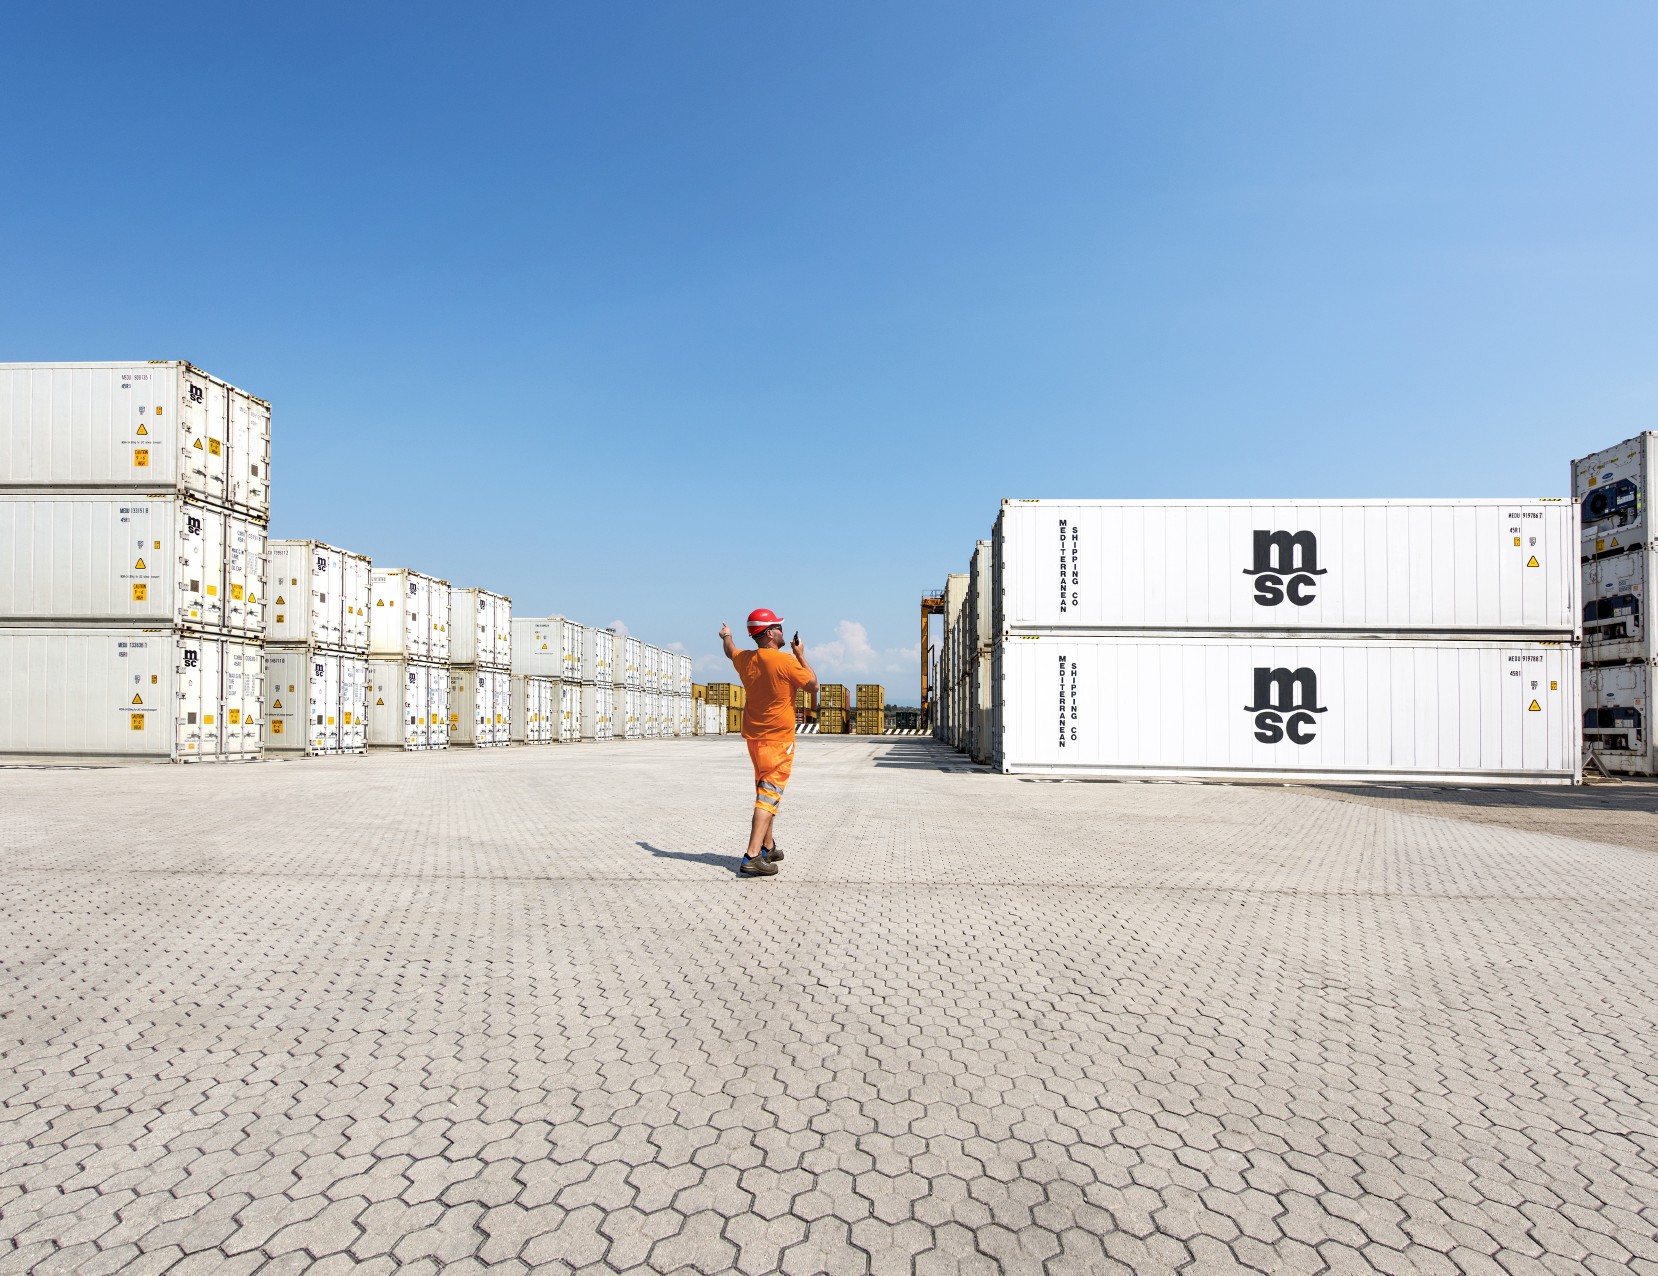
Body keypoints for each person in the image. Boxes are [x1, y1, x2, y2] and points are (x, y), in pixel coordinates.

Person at [721, 608, 817, 877]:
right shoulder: (785, 662)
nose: (783, 632)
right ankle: (752, 856)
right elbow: (813, 685)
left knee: (765, 792)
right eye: (779, 627)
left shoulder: (745, 659)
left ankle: (768, 845)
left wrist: (726, 635)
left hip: (755, 739)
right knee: (769, 796)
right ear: (769, 633)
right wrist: (801, 656)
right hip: (778, 740)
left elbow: (730, 650)